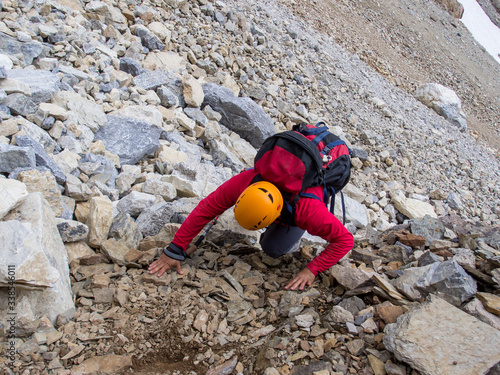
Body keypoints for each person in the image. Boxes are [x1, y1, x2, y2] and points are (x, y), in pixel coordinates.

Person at [148, 168, 354, 291]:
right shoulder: (245, 181)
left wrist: (312, 269)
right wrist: (175, 249)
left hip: (302, 199)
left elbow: (345, 241)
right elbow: (206, 209)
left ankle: (284, 232)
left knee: (272, 248)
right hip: (276, 191)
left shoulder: (308, 211)